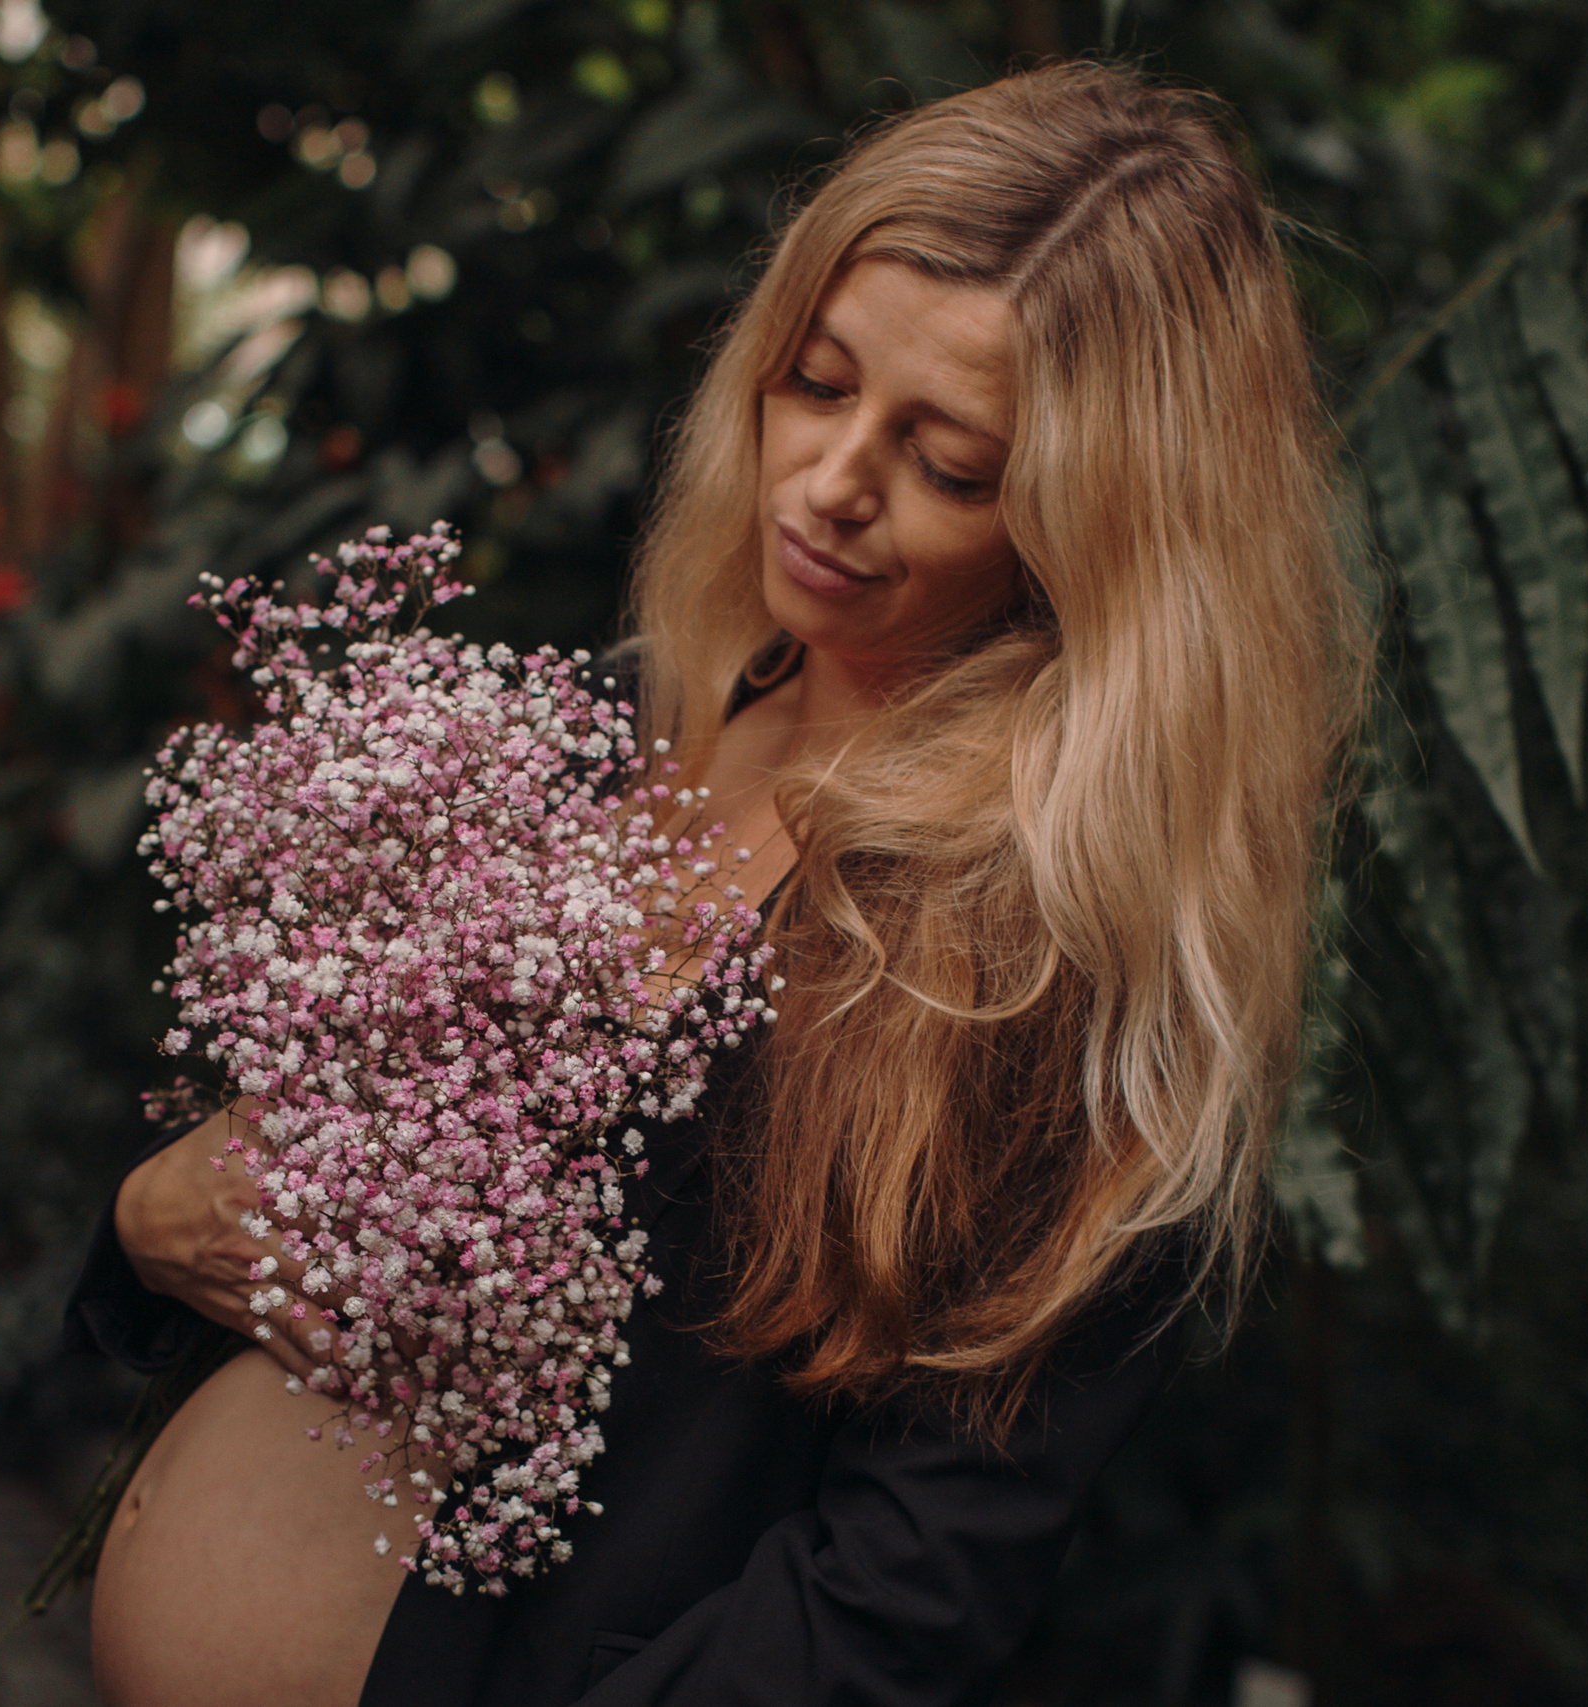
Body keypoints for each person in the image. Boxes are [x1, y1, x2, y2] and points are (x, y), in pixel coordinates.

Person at [67, 59, 1363, 1707]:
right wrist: (142, 1226)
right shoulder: (601, 740)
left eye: (951, 464)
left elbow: (910, 1588)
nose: (830, 481)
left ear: (1098, 535)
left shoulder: (1047, 968)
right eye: (816, 384)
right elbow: (292, 1210)